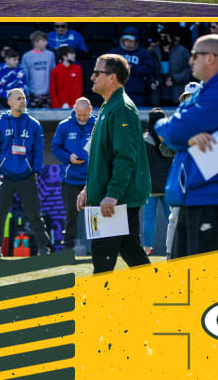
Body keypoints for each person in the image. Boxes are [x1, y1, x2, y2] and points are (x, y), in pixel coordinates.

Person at [153, 34, 218, 259]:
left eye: (194, 56)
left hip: (216, 197)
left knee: (205, 283)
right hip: (201, 196)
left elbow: (172, 129)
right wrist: (185, 139)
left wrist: (165, 127)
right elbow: (175, 131)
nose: (190, 61)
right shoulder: (210, 91)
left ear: (210, 58)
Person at [78, 54, 152, 273]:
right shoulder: (109, 106)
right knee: (131, 251)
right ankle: (160, 295)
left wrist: (112, 194)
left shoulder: (121, 108)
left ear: (112, 77)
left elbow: (125, 156)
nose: (92, 77)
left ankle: (99, 306)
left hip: (115, 199)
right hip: (110, 196)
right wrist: (88, 188)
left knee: (102, 257)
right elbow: (101, 157)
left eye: (97, 73)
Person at [0, 88, 49, 256]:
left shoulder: (34, 124)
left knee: (34, 215)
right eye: (18, 98)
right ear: (9, 102)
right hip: (5, 176)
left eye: (24, 98)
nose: (22, 101)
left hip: (27, 176)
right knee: (0, 216)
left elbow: (38, 151)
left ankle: (43, 247)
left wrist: (35, 172)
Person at [52, 97, 94, 251]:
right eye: (79, 115)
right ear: (74, 110)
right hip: (71, 179)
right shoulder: (64, 126)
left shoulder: (98, 125)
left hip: (93, 179)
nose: (82, 118)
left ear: (90, 110)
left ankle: (98, 247)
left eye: (85, 115)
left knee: (95, 214)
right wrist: (68, 157)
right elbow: (56, 148)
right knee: (71, 214)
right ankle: (68, 247)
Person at [141, 108, 174, 255]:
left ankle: (147, 248)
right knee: (171, 217)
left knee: (149, 218)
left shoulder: (144, 140)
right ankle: (174, 245)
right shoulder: (170, 139)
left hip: (150, 186)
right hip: (168, 184)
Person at [21, 31, 55, 108]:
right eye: (43, 41)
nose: (46, 43)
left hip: (48, 93)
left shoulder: (50, 55)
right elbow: (25, 75)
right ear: (36, 43)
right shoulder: (27, 56)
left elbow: (53, 73)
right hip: (33, 93)